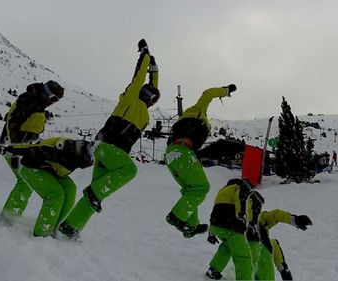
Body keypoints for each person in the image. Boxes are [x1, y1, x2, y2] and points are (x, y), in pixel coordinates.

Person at [57, 39, 160, 240]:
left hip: (108, 151)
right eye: (151, 96)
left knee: (96, 194)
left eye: (154, 98)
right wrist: (145, 55)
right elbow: (139, 78)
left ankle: (70, 227)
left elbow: (152, 87)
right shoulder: (130, 97)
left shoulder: (144, 111)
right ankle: (92, 196)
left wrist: (154, 70)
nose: (152, 99)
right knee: (129, 170)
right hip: (107, 147)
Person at [165, 84, 236, 238]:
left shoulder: (183, 124)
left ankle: (191, 225)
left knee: (191, 189)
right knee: (201, 188)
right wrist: (226, 90)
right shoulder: (198, 110)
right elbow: (208, 93)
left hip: (174, 153)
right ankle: (177, 216)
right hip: (182, 151)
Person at [0, 137, 94, 237]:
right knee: (56, 194)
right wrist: (6, 150)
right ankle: (42, 233)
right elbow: (31, 148)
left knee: (70, 189)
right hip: (31, 168)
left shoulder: (75, 158)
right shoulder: (59, 148)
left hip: (50, 170)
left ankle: (56, 227)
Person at [0, 80, 64, 224]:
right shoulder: (29, 99)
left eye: (57, 101)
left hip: (21, 146)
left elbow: (29, 120)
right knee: (25, 181)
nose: (53, 102)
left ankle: (9, 217)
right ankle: (7, 219)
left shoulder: (36, 102)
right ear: (47, 93)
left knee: (25, 181)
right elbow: (15, 120)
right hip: (14, 146)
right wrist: (16, 143)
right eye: (53, 98)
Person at [246, 191, 312, 280]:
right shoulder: (259, 219)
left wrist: (283, 268)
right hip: (258, 254)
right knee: (266, 254)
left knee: (271, 245)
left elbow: (275, 215)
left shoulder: (239, 223)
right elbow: (275, 215)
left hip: (246, 262)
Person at [205, 178, 253, 280]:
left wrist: (211, 233)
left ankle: (213, 270)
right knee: (243, 256)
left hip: (218, 228)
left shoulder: (222, 191)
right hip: (231, 227)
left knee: (226, 247)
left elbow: (216, 212)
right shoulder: (239, 187)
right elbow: (240, 200)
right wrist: (241, 218)